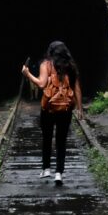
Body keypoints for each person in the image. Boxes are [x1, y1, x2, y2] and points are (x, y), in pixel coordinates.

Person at [21, 41, 84, 186]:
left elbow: (41, 84)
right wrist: (80, 108)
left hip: (48, 108)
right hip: (66, 109)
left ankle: (46, 169)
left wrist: (27, 73)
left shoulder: (46, 64)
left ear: (50, 52)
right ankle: (59, 173)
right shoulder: (71, 66)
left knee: (47, 137)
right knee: (61, 140)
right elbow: (77, 88)